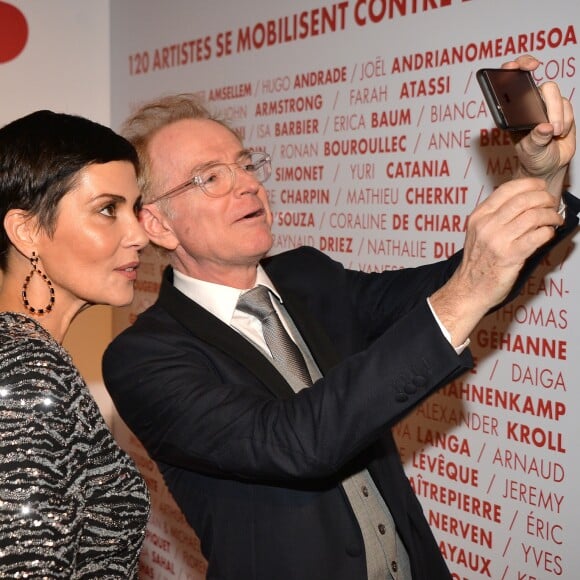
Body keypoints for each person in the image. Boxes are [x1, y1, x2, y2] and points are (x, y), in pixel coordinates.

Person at [103, 54, 578, 580]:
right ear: (158, 225)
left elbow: (450, 284)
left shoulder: (310, 276)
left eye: (245, 164)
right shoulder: (141, 357)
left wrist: (543, 181)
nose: (246, 184)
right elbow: (294, 442)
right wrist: (468, 288)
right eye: (209, 178)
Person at [0, 110, 150, 577]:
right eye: (108, 209)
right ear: (27, 232)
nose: (139, 235)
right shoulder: (27, 372)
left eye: (135, 208)